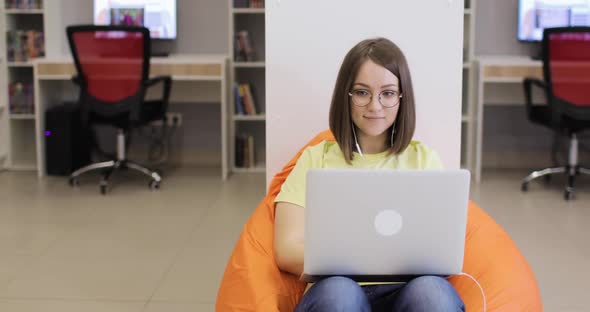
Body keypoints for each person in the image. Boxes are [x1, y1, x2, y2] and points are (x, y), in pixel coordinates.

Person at [273, 38, 465, 312]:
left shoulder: (424, 160)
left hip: (409, 290)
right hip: (336, 286)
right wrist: (357, 262)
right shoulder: (316, 159)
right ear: (346, 96)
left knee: (432, 293)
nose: (375, 106)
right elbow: (285, 248)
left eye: (387, 93)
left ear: (401, 98)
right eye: (362, 93)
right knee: (341, 295)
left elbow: (441, 250)